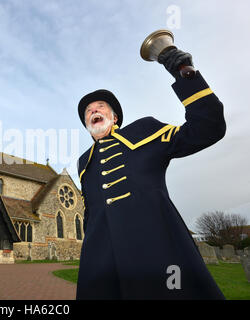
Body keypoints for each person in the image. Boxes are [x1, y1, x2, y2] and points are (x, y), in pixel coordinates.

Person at [76, 48, 226, 299]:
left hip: (159, 251)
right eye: (88, 111)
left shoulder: (143, 131)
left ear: (114, 118)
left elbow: (208, 128)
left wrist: (184, 73)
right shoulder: (84, 162)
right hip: (101, 265)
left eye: (100, 106)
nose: (93, 111)